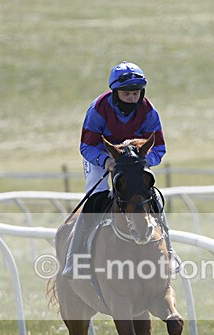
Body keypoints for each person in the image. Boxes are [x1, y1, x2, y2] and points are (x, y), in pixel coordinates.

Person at [63, 61, 169, 278]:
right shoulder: (98, 110)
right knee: (96, 198)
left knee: (153, 197)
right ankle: (75, 258)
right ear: (115, 92)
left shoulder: (149, 111)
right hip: (102, 156)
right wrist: (106, 161)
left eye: (136, 94)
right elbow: (87, 146)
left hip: (135, 160)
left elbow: (159, 148)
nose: (132, 98)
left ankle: (170, 252)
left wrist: (141, 162)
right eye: (127, 94)